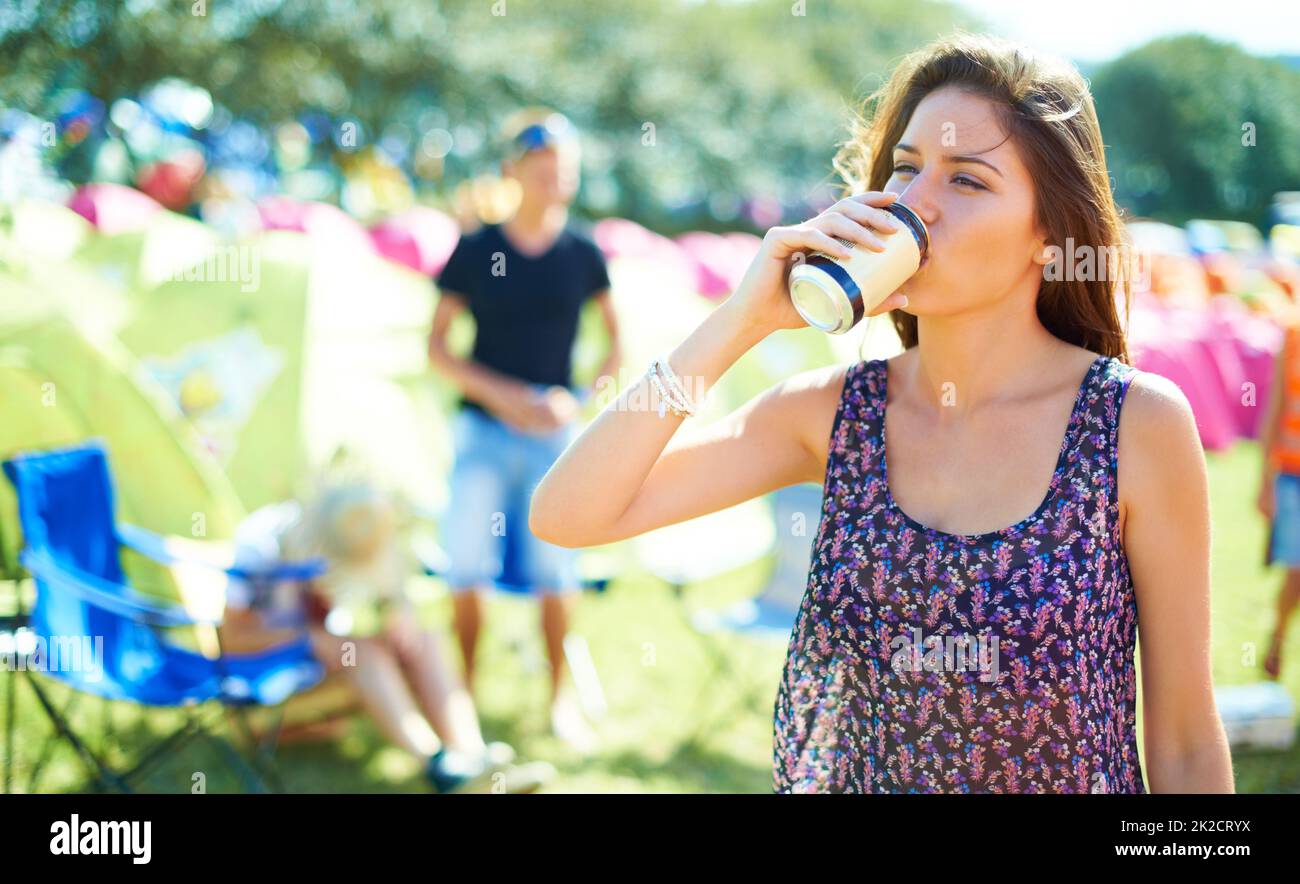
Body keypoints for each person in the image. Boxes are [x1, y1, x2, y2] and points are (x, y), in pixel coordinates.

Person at [530, 34, 1234, 793]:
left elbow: (1188, 745)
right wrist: (737, 323)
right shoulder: (837, 413)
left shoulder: (1134, 426)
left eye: (967, 181)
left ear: (1050, 234)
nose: (914, 204)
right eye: (905, 167)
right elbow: (570, 513)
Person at [427, 107, 621, 752]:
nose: (553, 180)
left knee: (556, 572)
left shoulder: (583, 253)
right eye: (540, 169)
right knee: (465, 568)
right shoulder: (479, 248)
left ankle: (559, 698)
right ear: (513, 171)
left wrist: (577, 402)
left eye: (562, 170)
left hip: (551, 438)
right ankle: (461, 703)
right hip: (483, 433)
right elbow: (437, 349)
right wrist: (504, 395)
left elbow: (616, 349)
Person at [220, 483, 556, 793]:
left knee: (425, 639)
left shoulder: (351, 530)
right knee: (362, 651)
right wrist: (309, 638)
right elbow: (231, 640)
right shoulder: (260, 545)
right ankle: (440, 767)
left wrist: (399, 610)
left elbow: (385, 594)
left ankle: (471, 755)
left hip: (329, 657)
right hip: (268, 670)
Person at [1255, 304, 1300, 679]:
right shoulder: (1292, 333)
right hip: (1292, 473)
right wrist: (1263, 482)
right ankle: (1277, 641)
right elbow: (1273, 408)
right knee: (1295, 572)